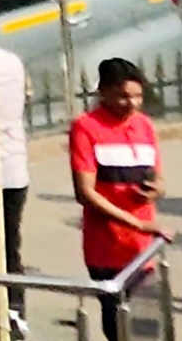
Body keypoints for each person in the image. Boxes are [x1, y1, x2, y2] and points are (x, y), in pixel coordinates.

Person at [64, 58, 169, 315]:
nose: (131, 104)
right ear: (104, 93)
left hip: (143, 250)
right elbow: (86, 193)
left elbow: (159, 178)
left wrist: (157, 190)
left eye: (137, 97)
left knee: (145, 330)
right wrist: (138, 224)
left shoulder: (143, 125)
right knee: (118, 331)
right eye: (123, 97)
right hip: (107, 248)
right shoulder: (86, 127)